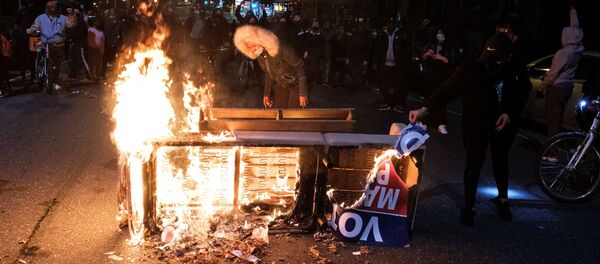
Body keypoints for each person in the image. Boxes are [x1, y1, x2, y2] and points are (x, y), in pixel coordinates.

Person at [409, 33, 531, 226]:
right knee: (474, 162)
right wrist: (424, 108)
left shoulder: (515, 66)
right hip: (476, 122)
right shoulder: (472, 67)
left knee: (501, 160)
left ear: (506, 57)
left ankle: (502, 200)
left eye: (497, 59)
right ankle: (469, 206)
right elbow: (449, 89)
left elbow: (525, 90)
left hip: (503, 124)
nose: (492, 63)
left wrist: (509, 112)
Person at [234, 25, 309, 108]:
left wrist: (303, 93)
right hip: (282, 83)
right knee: (280, 109)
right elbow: (268, 74)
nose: (252, 50)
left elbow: (300, 66)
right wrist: (266, 94)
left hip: (297, 82)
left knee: (293, 112)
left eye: (253, 45)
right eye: (249, 47)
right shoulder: (260, 55)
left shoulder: (280, 47)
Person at [539, 5, 584, 136]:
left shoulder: (563, 53)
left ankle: (552, 153)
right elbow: (576, 28)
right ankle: (556, 145)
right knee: (558, 120)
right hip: (567, 88)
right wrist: (573, 10)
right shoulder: (578, 49)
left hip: (557, 89)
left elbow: (553, 74)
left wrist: (541, 88)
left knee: (553, 121)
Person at [421, 27, 457, 134]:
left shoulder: (450, 47)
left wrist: (441, 58)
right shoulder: (431, 44)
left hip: (443, 77)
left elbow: (453, 62)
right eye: (438, 33)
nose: (440, 35)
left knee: (441, 100)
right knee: (428, 98)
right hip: (430, 75)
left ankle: (440, 123)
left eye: (442, 33)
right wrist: (426, 55)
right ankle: (425, 121)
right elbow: (422, 57)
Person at [26, 0, 66, 93]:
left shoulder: (62, 18)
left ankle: (55, 81)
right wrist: (31, 30)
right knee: (43, 57)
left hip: (58, 44)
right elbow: (35, 27)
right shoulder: (41, 18)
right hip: (46, 43)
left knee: (56, 65)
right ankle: (39, 73)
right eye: (49, 7)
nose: (51, 8)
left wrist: (73, 17)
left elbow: (70, 24)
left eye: (53, 7)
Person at [374, 21, 410, 112]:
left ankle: (397, 104)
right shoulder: (383, 35)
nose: (390, 26)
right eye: (389, 24)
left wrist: (405, 64)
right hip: (385, 64)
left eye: (392, 24)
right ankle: (387, 103)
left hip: (397, 65)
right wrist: (375, 62)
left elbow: (406, 50)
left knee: (397, 85)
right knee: (385, 85)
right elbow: (378, 49)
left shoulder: (400, 35)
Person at [65, 6, 92, 81]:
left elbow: (83, 33)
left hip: (80, 43)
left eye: (74, 13)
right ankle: (72, 75)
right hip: (73, 43)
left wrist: (71, 36)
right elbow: (68, 31)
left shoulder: (81, 22)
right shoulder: (71, 22)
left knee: (82, 59)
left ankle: (89, 76)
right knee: (71, 59)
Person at [302, 19, 324, 85]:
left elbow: (321, 45)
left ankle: (315, 80)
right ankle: (309, 79)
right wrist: (305, 51)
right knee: (308, 67)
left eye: (316, 25)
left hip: (316, 54)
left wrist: (320, 54)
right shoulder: (308, 34)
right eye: (314, 24)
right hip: (309, 53)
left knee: (315, 67)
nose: (315, 26)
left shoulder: (320, 36)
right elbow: (305, 43)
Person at [328, 25, 350, 89]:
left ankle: (340, 84)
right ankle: (332, 83)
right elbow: (330, 42)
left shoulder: (346, 37)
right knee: (333, 71)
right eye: (340, 29)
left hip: (342, 56)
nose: (341, 31)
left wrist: (347, 57)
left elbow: (348, 47)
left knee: (342, 71)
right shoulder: (334, 36)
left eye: (342, 29)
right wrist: (336, 39)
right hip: (334, 56)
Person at [87, 18, 104, 82]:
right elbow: (91, 41)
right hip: (93, 49)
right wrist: (97, 47)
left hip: (98, 50)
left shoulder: (101, 32)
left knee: (98, 63)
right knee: (92, 63)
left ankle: (97, 76)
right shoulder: (91, 30)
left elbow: (102, 42)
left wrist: (102, 49)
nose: (97, 23)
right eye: (96, 22)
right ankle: (91, 76)